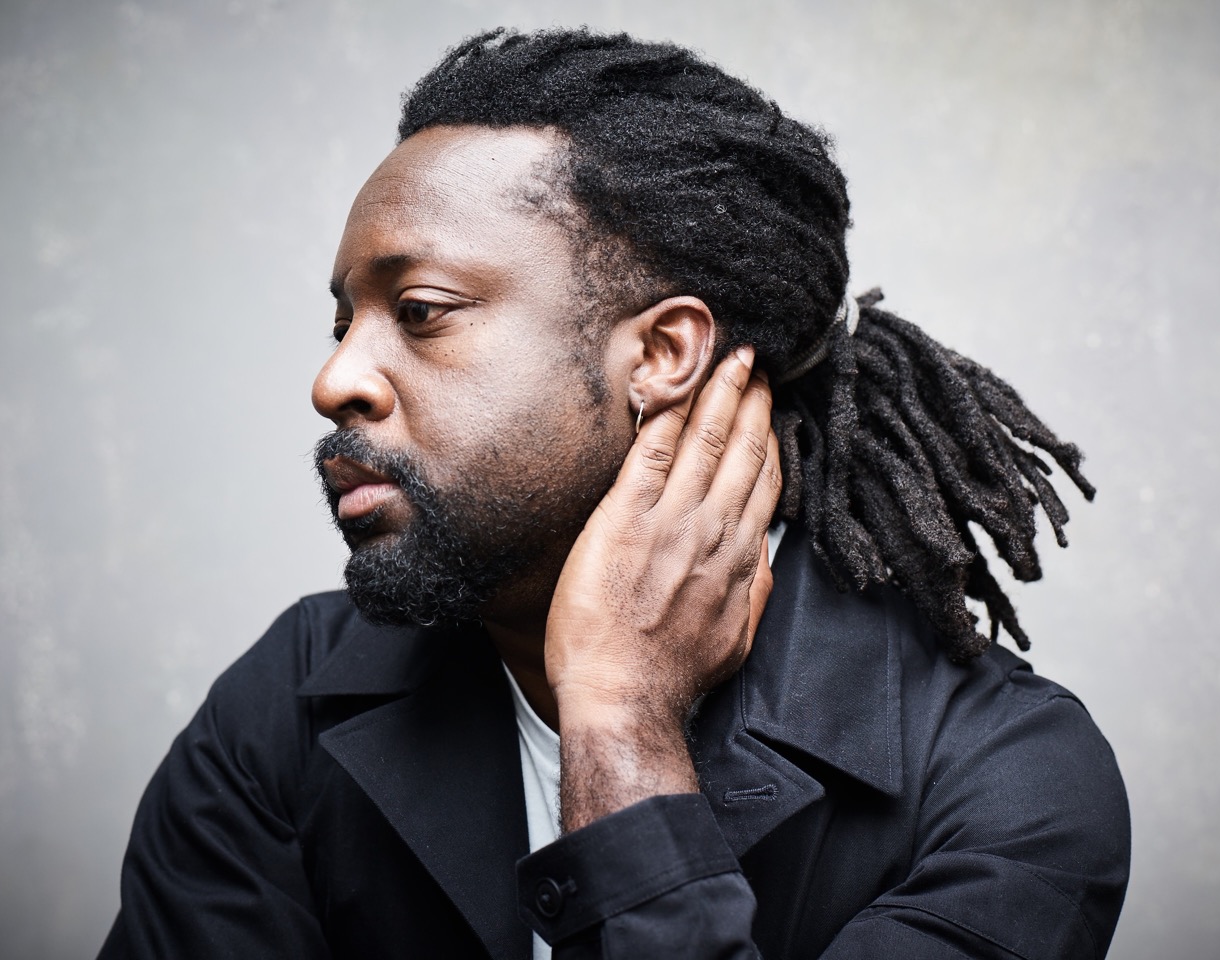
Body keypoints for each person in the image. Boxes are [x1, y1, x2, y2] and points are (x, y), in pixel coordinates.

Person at [99, 27, 1129, 960]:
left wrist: (620, 719)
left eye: (419, 311)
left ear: (662, 353)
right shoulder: (287, 702)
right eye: (343, 323)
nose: (335, 381)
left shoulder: (1006, 777)